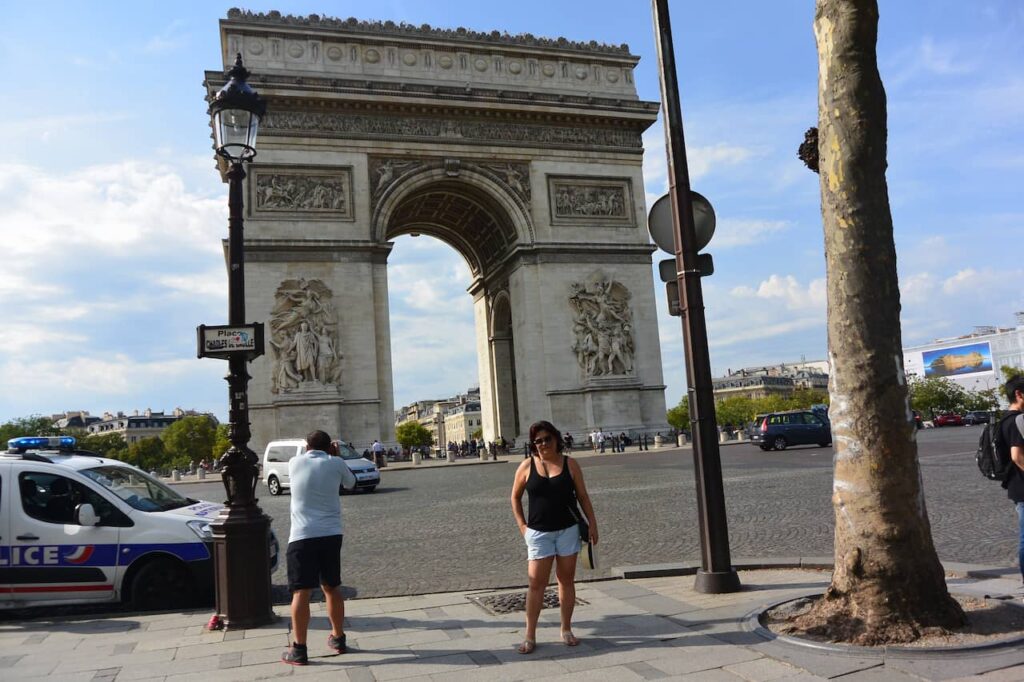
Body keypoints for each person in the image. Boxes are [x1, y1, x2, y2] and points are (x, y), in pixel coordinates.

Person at [510, 420, 598, 654]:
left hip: (568, 530)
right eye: (538, 440)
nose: (543, 444)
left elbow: (582, 496)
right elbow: (514, 498)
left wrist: (592, 524)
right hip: (538, 534)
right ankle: (530, 635)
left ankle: (566, 629)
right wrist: (522, 527)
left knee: (566, 580)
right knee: (536, 584)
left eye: (547, 438)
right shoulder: (526, 466)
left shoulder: (571, 464)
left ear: (557, 439)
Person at [282, 431, 357, 666]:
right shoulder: (336, 462)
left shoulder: (294, 462)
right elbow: (351, 483)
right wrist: (335, 457)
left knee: (301, 592)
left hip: (302, 536)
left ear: (307, 446)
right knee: (332, 587)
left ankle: (299, 649)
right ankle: (338, 638)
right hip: (331, 534)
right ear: (330, 447)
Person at [1000, 376, 1024, 589]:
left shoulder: (1004, 419)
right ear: (1019, 394)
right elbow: (1017, 456)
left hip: (1016, 487)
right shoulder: (1017, 420)